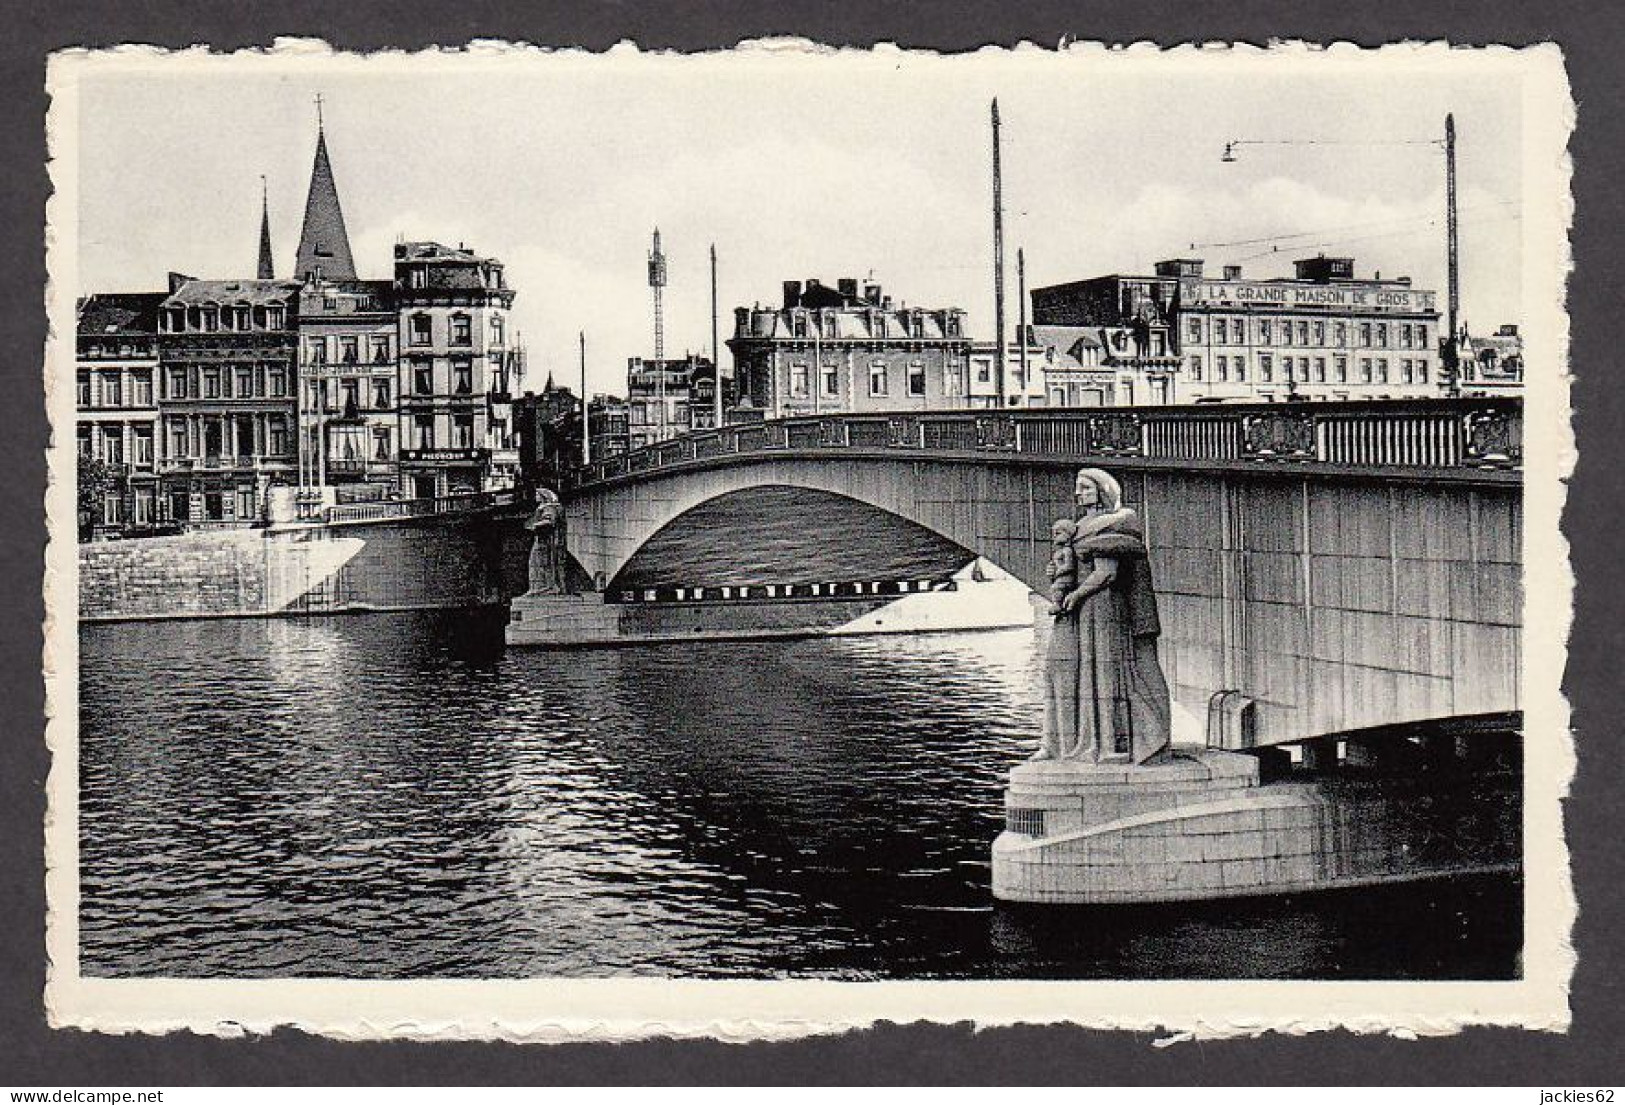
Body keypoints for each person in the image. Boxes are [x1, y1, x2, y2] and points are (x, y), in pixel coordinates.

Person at [1042, 467, 1173, 765]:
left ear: (1102, 491)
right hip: (1078, 609)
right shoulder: (1079, 526)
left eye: (1085, 488)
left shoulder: (1110, 525)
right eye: (1077, 488)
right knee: (1060, 667)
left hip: (1103, 607)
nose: (1078, 494)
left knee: (1103, 672)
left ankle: (1107, 745)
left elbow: (1107, 574)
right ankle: (1065, 742)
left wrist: (1076, 595)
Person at [525, 487, 565, 595]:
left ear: (543, 497)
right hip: (541, 539)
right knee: (536, 563)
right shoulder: (545, 507)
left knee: (539, 563)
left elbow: (550, 521)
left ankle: (544, 587)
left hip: (545, 541)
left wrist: (535, 525)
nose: (536, 497)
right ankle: (538, 587)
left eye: (537, 495)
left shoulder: (549, 508)